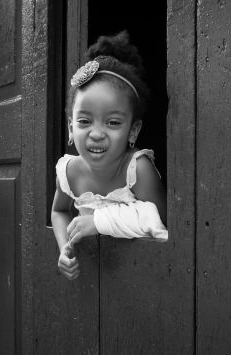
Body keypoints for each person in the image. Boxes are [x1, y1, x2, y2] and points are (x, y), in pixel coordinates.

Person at [51, 31, 168, 280]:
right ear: (71, 127)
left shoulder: (138, 169)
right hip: (93, 283)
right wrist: (64, 249)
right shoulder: (69, 172)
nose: (96, 134)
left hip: (142, 279)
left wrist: (99, 222)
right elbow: (59, 211)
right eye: (84, 121)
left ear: (133, 131)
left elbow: (160, 221)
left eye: (113, 123)